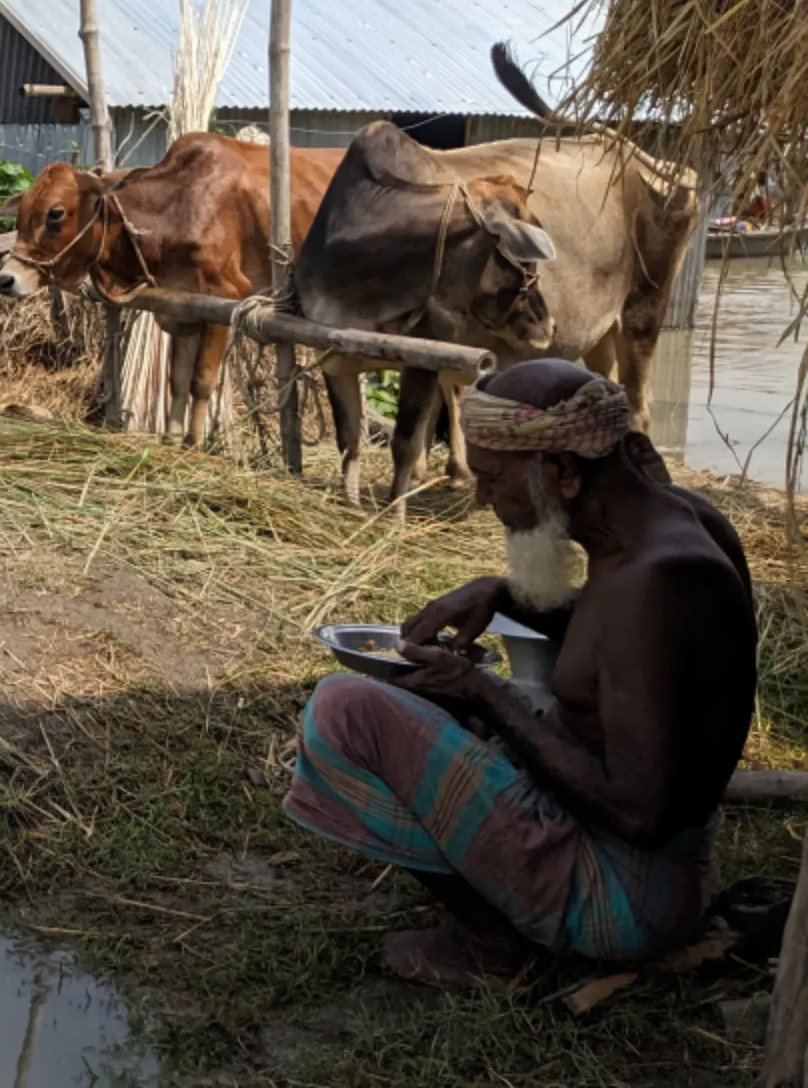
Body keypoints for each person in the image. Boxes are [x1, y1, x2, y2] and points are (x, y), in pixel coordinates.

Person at [283, 358, 756, 987]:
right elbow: (632, 653)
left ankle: (493, 948)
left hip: (627, 899)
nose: (482, 498)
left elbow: (641, 813)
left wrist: (485, 692)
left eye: (493, 479)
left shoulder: (656, 582)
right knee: (431, 704)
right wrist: (506, 595)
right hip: (661, 875)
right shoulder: (678, 523)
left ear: (561, 472)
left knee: (344, 711)